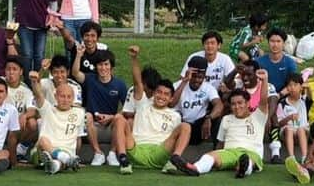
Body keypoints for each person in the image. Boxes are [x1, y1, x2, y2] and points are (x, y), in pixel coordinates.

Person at [110, 46, 193, 175]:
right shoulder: (143, 103)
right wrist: (134, 58)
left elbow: (174, 139)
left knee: (186, 126)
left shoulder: (175, 115)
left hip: (160, 152)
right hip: (137, 150)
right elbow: (138, 82)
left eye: (166, 94)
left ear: (171, 99)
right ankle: (123, 159)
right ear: (153, 93)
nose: (161, 96)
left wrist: (184, 82)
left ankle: (174, 160)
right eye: (159, 92)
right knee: (119, 119)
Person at [178, 69, 271, 178]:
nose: (236, 107)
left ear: (248, 103)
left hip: (251, 153)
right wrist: (216, 156)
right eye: (233, 104)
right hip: (229, 152)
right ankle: (195, 168)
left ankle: (244, 168)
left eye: (240, 103)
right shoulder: (226, 119)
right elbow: (220, 143)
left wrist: (264, 80)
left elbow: (263, 101)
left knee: (248, 160)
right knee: (209, 156)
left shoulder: (258, 116)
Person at [72, 46, 127, 167]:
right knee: (87, 115)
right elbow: (75, 73)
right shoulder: (90, 79)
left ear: (111, 67)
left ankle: (112, 154)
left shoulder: (119, 84)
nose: (103, 68)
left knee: (119, 117)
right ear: (96, 66)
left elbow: (127, 109)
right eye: (100, 65)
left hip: (110, 124)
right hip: (93, 124)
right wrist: (79, 55)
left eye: (106, 65)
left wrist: (111, 117)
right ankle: (98, 153)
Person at [28, 69, 86, 174]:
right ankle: (65, 160)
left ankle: (55, 165)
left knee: (59, 161)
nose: (65, 100)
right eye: (62, 96)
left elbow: (79, 137)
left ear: (73, 99)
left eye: (69, 97)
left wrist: (75, 153)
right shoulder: (48, 109)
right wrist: (34, 81)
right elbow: (38, 95)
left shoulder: (80, 113)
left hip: (67, 150)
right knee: (42, 141)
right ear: (55, 97)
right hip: (46, 148)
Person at [170, 55, 223, 146]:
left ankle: (216, 150)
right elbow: (171, 104)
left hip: (198, 129)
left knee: (217, 119)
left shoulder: (208, 88)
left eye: (200, 77)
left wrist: (209, 118)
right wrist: (184, 81)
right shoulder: (177, 85)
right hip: (179, 127)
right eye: (194, 77)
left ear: (204, 75)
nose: (196, 80)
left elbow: (219, 105)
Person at [275, 72, 309, 164]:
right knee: (289, 129)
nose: (292, 88)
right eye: (289, 85)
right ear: (286, 88)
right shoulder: (282, 103)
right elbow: (279, 123)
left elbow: (310, 94)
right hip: (287, 132)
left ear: (301, 87)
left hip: (302, 130)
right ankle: (291, 158)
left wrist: (306, 86)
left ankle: (304, 157)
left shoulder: (304, 100)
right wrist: (289, 118)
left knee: (301, 129)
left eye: (295, 85)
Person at [254, 28, 298, 94]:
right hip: (263, 95)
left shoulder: (290, 63)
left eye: (278, 41)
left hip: (283, 96)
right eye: (272, 41)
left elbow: (293, 84)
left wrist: (279, 96)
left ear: (283, 43)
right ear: (268, 42)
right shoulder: (258, 62)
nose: (275, 45)